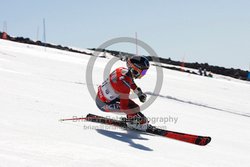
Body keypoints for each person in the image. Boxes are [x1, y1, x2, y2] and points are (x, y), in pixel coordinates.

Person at [96, 56, 150, 131]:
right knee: (134, 109)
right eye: (144, 72)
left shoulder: (122, 70)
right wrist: (139, 119)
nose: (144, 74)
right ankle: (133, 123)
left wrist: (139, 93)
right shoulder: (124, 85)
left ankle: (132, 120)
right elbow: (124, 107)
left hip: (104, 97)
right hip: (103, 104)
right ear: (135, 70)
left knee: (135, 108)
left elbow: (131, 82)